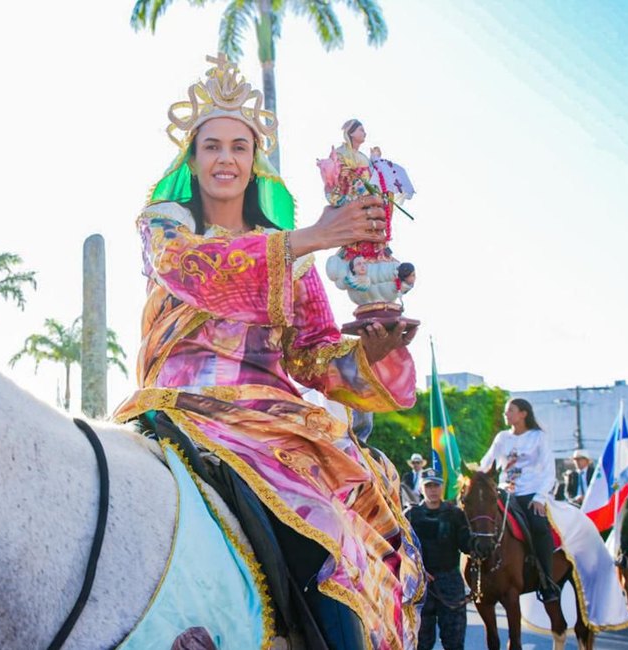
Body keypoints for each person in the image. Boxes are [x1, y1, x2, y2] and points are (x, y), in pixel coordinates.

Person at [114, 54, 421, 650]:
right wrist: (316, 236)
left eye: (238, 146)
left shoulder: (298, 263)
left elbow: (314, 359)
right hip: (177, 403)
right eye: (211, 147)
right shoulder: (166, 225)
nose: (225, 158)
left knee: (340, 525)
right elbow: (197, 272)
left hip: (273, 421)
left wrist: (374, 351)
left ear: (255, 161)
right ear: (193, 158)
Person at [477, 398, 560, 602]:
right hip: (505, 492)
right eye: (506, 411)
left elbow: (549, 471)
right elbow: (486, 463)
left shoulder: (538, 437)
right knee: (478, 520)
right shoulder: (502, 437)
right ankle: (476, 575)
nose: (506, 414)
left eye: (510, 411)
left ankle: (546, 581)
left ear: (523, 413)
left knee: (539, 527)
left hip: (530, 493)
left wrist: (540, 497)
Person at [405, 475, 471, 650]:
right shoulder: (410, 515)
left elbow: (468, 546)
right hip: (420, 585)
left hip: (450, 583)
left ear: (442, 488)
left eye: (436, 485)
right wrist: (417, 570)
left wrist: (481, 537)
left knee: (454, 642)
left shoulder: (455, 514)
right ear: (421, 489)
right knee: (421, 643)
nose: (433, 490)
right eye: (428, 486)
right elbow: (400, 551)